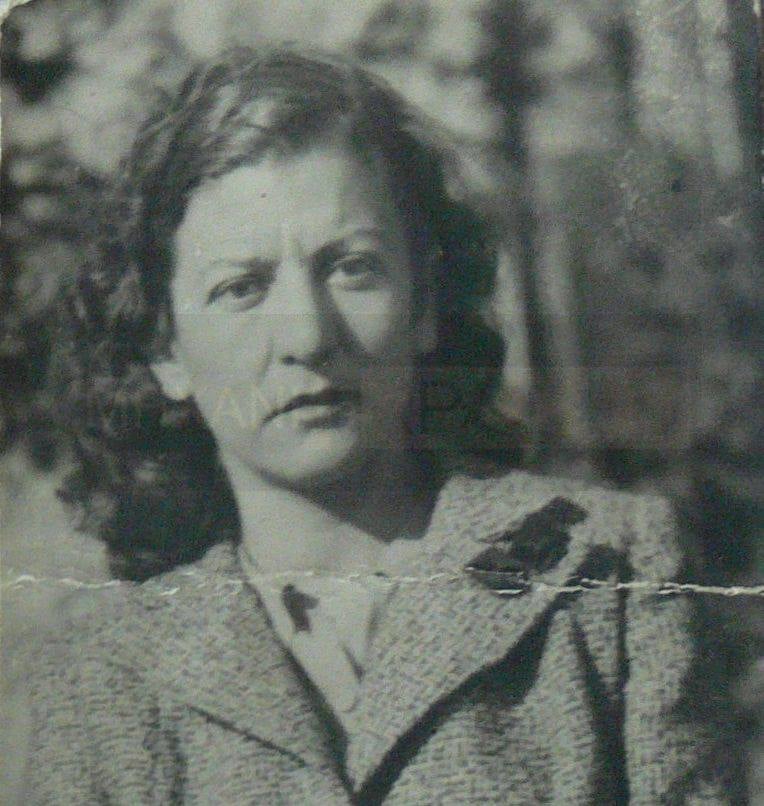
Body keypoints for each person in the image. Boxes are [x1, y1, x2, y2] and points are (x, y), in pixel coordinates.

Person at [23, 45, 740, 804]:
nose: (307, 336)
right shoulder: (105, 677)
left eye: (352, 267)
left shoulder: (607, 578)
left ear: (426, 302)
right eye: (242, 287)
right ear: (165, 350)